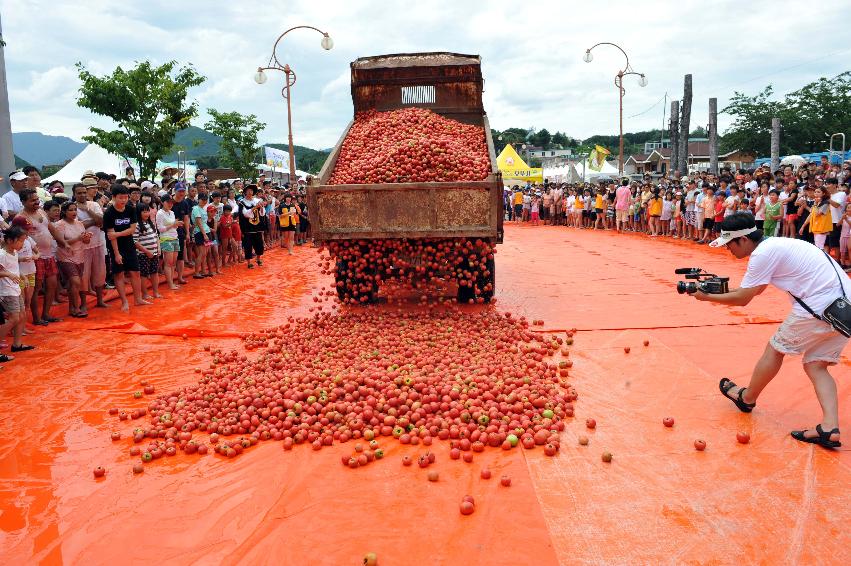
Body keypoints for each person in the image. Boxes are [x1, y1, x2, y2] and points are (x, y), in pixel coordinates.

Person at [702, 212, 848, 449]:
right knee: (816, 365)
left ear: (744, 240)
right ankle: (830, 428)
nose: (727, 249)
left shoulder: (762, 253)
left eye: (729, 244)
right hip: (845, 307)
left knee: (775, 349)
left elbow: (743, 299)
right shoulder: (777, 245)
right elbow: (756, 290)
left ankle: (747, 398)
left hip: (821, 305)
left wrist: (705, 296)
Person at [103, 184, 148, 312]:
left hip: (129, 245)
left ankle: (138, 299)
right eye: (120, 198)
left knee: (135, 272)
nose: (123, 200)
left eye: (125, 197)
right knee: (119, 274)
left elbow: (132, 229)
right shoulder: (109, 213)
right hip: (115, 246)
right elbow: (111, 236)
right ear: (113, 197)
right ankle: (124, 302)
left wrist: (118, 233)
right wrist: (117, 254)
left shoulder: (130, 209)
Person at [73, 183, 108, 310]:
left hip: (97, 244)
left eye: (83, 192)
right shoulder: (72, 208)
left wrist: (87, 211)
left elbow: (102, 221)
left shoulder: (93, 205)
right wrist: (95, 221)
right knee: (84, 275)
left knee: (100, 272)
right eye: (79, 193)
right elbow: (78, 227)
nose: (82, 195)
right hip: (82, 247)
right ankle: (83, 303)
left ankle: (100, 300)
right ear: (74, 194)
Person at [0, 226, 34, 357]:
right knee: (14, 318)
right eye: (20, 241)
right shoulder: (2, 255)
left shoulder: (13, 252)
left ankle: (17, 344)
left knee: (21, 316)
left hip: (15, 289)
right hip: (6, 291)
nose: (22, 244)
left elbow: (14, 269)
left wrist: (22, 276)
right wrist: (9, 274)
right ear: (9, 240)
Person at [54, 201, 91, 317]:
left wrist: (86, 238)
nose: (74, 212)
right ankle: (76, 308)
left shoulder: (80, 224)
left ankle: (72, 309)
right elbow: (61, 243)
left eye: (75, 209)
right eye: (71, 210)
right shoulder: (59, 224)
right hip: (65, 257)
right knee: (76, 281)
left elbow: (85, 241)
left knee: (73, 284)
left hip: (79, 256)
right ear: (64, 212)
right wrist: (78, 238)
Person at [156, 195, 181, 290]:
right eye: (168, 202)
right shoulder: (160, 213)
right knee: (168, 263)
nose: (170, 204)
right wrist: (173, 225)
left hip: (174, 237)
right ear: (162, 202)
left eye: (171, 202)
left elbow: (174, 226)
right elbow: (160, 229)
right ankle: (170, 284)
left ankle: (172, 282)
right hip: (166, 239)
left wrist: (176, 224)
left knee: (173, 263)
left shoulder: (172, 212)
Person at [239, 184, 266, 268]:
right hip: (247, 227)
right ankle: (249, 262)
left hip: (257, 226)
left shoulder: (256, 200)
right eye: (248, 190)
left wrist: (261, 207)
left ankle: (258, 259)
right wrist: (255, 207)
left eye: (251, 190)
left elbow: (262, 213)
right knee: (248, 245)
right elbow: (245, 214)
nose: (250, 192)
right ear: (245, 192)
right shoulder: (242, 202)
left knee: (259, 244)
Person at [171, 185, 192, 284]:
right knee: (171, 258)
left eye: (183, 191)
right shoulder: (169, 202)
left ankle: (180, 277)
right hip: (169, 233)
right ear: (175, 191)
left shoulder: (185, 203)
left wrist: (187, 233)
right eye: (179, 191)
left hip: (180, 232)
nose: (181, 193)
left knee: (180, 256)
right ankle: (170, 279)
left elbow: (186, 218)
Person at [190, 192, 213, 278]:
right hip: (200, 233)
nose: (204, 201)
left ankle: (203, 271)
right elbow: (199, 222)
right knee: (201, 253)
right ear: (198, 199)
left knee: (205, 253)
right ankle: (196, 272)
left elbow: (203, 222)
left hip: (206, 231)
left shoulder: (203, 209)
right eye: (202, 199)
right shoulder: (196, 208)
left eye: (205, 199)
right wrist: (204, 234)